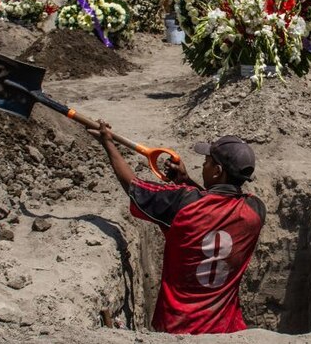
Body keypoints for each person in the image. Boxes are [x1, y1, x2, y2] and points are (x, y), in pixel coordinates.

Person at [87, 122, 265, 335]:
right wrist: (186, 180)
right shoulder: (255, 210)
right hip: (225, 329)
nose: (203, 166)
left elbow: (135, 187)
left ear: (218, 171)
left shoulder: (182, 203)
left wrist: (109, 144)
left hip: (177, 327)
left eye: (207, 162)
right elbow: (215, 206)